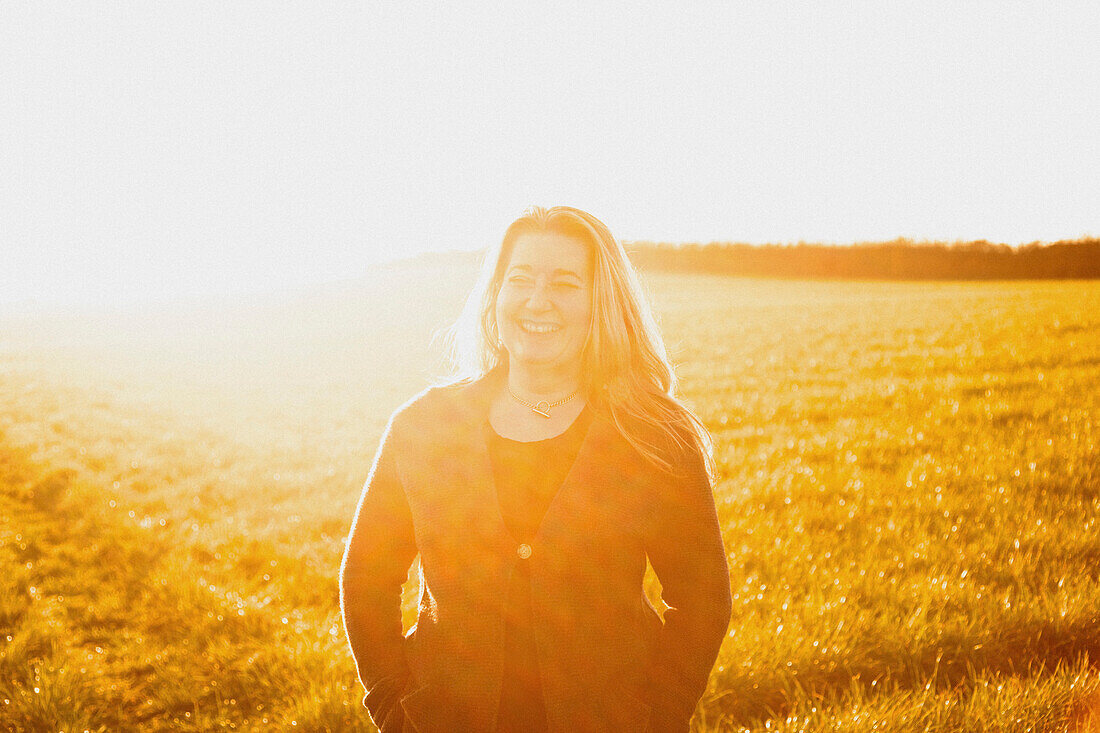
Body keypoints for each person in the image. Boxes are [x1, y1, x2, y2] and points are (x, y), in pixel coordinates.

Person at [340, 206, 732, 733]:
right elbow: (366, 577)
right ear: (495, 294)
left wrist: (655, 718)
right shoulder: (423, 426)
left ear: (602, 303)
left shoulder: (653, 436)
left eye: (566, 284)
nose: (537, 301)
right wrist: (393, 706)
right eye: (519, 279)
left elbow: (703, 600)